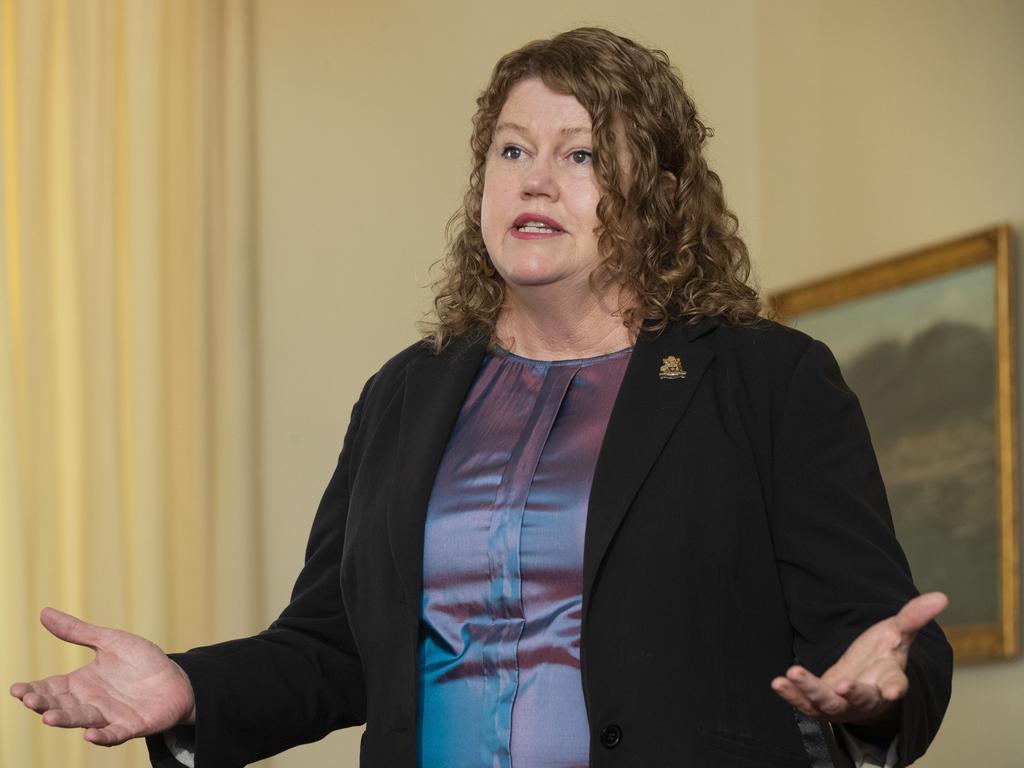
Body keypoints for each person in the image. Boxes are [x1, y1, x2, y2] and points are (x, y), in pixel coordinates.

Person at [10, 27, 951, 768]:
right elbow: (335, 648)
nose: (535, 178)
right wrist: (188, 687)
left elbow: (878, 635)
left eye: (580, 156)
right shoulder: (405, 396)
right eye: (512, 150)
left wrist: (881, 698)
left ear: (658, 195)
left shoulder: (765, 383)